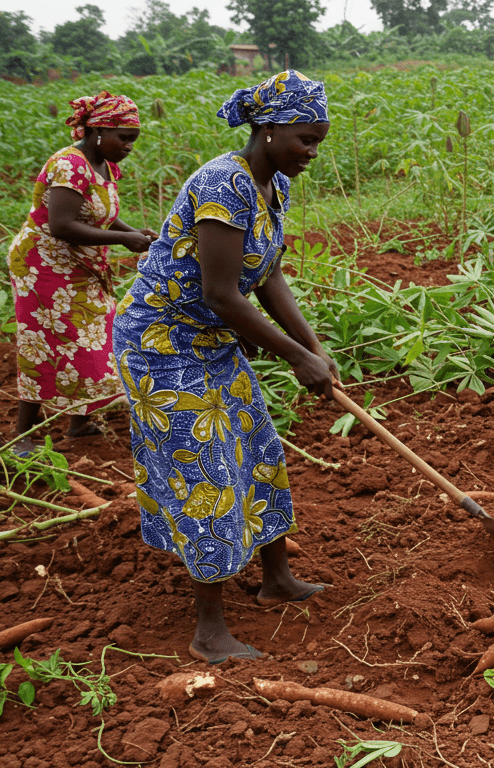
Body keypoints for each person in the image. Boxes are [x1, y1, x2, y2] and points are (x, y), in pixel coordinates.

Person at [112, 71, 335, 664]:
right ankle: (209, 631)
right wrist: (295, 357)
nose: (312, 153)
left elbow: (268, 277)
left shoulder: (272, 185)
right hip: (163, 343)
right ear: (268, 130)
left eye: (318, 142)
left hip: (209, 337)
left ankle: (276, 579)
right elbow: (222, 294)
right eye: (305, 141)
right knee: (205, 466)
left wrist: (313, 348)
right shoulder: (224, 184)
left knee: (258, 446)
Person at [7, 92, 157, 456]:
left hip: (80, 266)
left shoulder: (105, 164)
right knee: (44, 344)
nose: (128, 146)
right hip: (43, 267)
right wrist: (125, 240)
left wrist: (134, 231)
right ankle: (21, 435)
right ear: (96, 131)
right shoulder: (68, 165)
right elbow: (61, 224)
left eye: (133, 139)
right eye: (123, 137)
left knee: (96, 338)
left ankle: (79, 422)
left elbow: (100, 213)